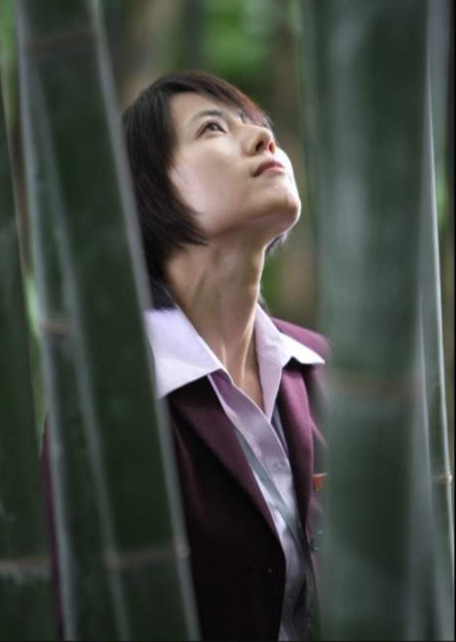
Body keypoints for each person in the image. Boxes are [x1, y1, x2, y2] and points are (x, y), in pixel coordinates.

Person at [122, 71, 328, 641]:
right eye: (213, 128)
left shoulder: (320, 367)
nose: (264, 139)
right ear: (149, 190)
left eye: (259, 126)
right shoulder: (113, 400)